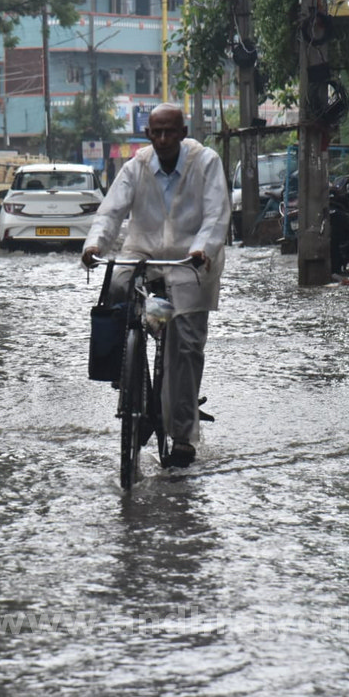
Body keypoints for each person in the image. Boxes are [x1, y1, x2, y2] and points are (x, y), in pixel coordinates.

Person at [82, 103, 230, 467]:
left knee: (184, 346)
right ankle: (126, 379)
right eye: (156, 132)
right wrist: (95, 245)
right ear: (148, 134)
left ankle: (182, 436)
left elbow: (216, 215)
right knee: (115, 295)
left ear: (183, 132)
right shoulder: (136, 166)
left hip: (190, 261)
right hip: (143, 255)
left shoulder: (206, 162)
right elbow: (111, 212)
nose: (163, 139)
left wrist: (201, 249)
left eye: (170, 132)